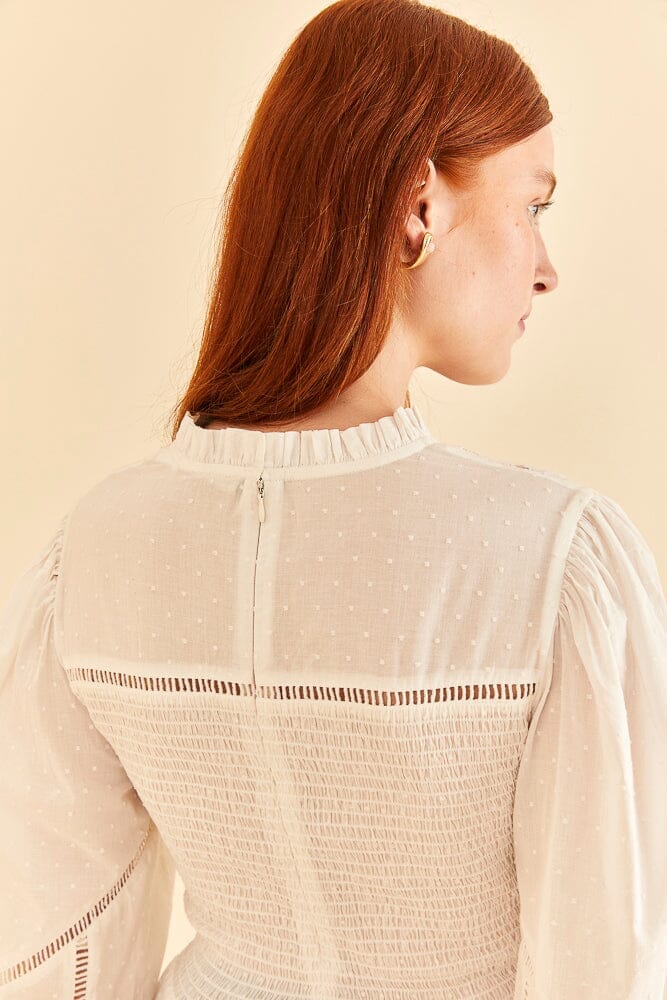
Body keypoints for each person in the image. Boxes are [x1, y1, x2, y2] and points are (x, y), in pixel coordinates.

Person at [1, 0, 665, 997]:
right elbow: (602, 965)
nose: (545, 267)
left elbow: (47, 941)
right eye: (532, 206)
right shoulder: (551, 557)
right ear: (417, 204)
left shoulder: (97, 548)